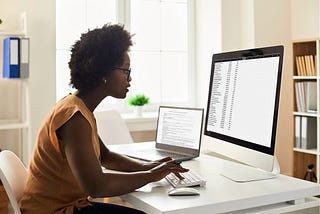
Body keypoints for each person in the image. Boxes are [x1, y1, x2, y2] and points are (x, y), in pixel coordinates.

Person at [19, 24, 188, 214]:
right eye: (125, 71)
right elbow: (96, 186)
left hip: (69, 206)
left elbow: (105, 157)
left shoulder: (78, 107)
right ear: (103, 74)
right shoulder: (74, 117)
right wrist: (150, 175)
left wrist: (149, 167)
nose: (129, 78)